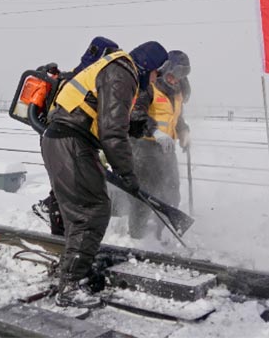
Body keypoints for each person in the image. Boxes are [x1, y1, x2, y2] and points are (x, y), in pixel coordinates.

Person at [41, 40, 167, 308]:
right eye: (157, 72)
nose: (156, 79)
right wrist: (128, 173)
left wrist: (142, 126)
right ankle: (70, 286)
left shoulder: (117, 69)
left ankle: (72, 271)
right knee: (91, 212)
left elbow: (109, 116)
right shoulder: (124, 72)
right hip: (72, 141)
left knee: (84, 212)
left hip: (67, 140)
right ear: (148, 66)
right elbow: (111, 132)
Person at [32, 37, 120, 236]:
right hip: (64, 139)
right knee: (67, 191)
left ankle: (63, 236)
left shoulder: (73, 76)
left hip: (60, 138)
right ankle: (61, 238)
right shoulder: (83, 79)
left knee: (67, 188)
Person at [127, 50, 191, 239]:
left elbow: (177, 118)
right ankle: (137, 236)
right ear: (165, 70)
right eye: (173, 75)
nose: (175, 80)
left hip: (166, 149)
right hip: (143, 147)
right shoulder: (149, 87)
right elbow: (136, 115)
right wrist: (154, 132)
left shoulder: (178, 93)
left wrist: (184, 132)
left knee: (171, 193)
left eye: (180, 77)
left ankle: (160, 233)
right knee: (144, 196)